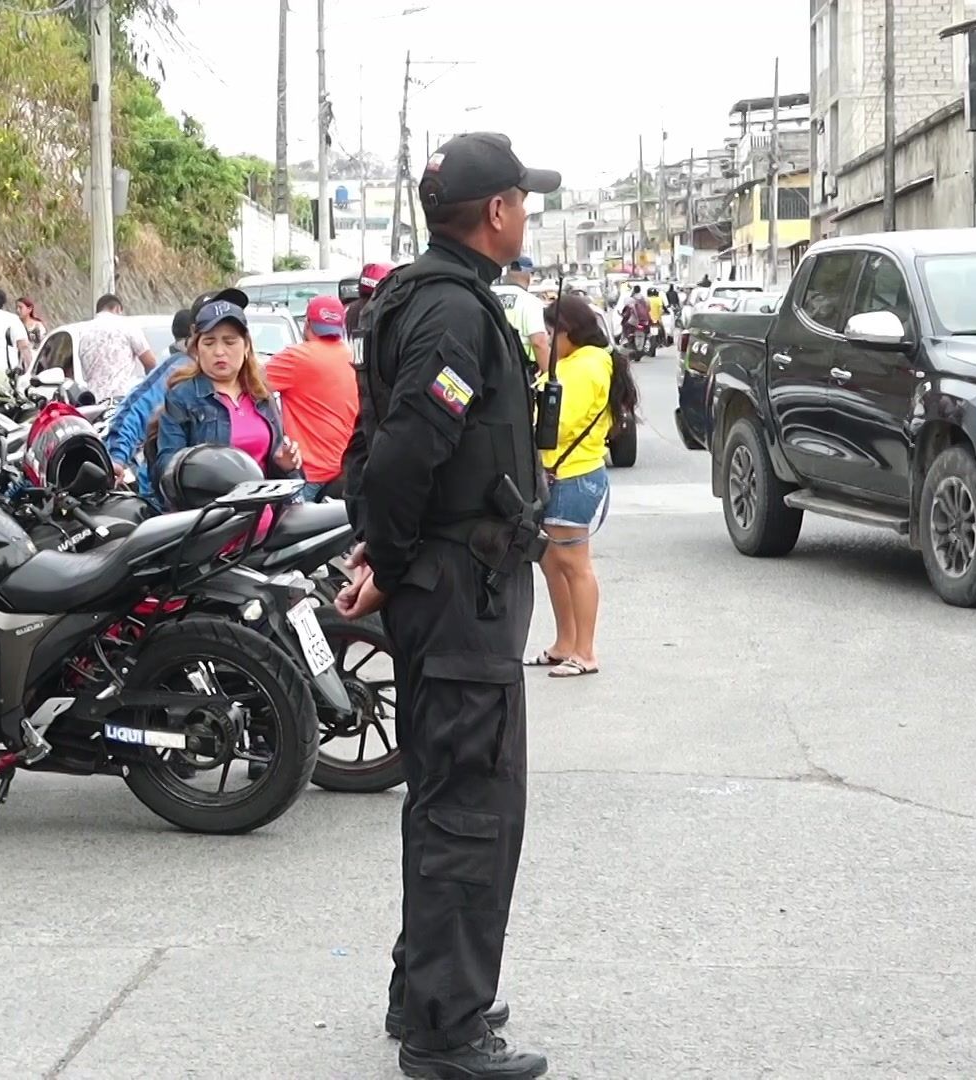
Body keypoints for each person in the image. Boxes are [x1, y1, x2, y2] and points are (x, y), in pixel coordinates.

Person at [335, 131, 557, 1079]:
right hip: (462, 592)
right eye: (523, 200)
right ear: (497, 211)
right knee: (470, 804)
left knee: (443, 797)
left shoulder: (417, 297)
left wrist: (385, 550)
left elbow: (375, 444)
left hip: (450, 582)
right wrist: (389, 558)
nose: (527, 213)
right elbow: (400, 454)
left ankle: (425, 991)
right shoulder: (453, 312)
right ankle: (446, 1031)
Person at [526, 295, 633, 680]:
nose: (547, 339)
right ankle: (564, 643)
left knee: (574, 565)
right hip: (558, 475)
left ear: (569, 331)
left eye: (551, 332)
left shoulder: (587, 367)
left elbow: (557, 424)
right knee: (552, 563)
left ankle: (585, 651)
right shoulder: (574, 363)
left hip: (574, 476)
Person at [148, 297, 301, 509]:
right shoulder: (182, 397)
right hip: (213, 518)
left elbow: (278, 467)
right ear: (196, 349)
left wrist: (285, 465)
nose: (219, 351)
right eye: (209, 342)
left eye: (230, 342)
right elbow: (166, 469)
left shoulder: (262, 396)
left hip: (265, 517)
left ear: (246, 346)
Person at [105, 291, 228, 478]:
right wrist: (117, 458)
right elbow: (134, 412)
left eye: (230, 328)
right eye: (211, 329)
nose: (220, 348)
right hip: (179, 490)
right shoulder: (177, 372)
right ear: (194, 332)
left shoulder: (253, 386)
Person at [263, 294, 358, 501]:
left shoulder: (297, 357)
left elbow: (250, 383)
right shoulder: (352, 356)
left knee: (280, 521)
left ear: (307, 324)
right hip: (346, 469)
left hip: (311, 474)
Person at [79, 293, 158, 403]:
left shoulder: (83, 332)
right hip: (123, 400)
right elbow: (151, 363)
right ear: (117, 308)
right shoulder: (127, 326)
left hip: (94, 402)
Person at [0, 287, 34, 398]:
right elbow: (24, 347)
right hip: (4, 371)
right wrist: (30, 372)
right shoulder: (12, 319)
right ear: (3, 303)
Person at [498, 258, 550, 370]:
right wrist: (547, 373)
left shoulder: (489, 295)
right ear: (528, 275)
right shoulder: (530, 301)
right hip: (520, 369)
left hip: (489, 369)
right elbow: (539, 343)